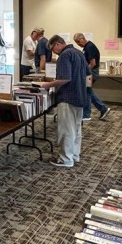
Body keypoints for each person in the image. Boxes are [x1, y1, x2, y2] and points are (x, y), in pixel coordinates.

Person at [41, 35, 89, 167]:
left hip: (67, 96)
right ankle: (74, 155)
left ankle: (65, 159)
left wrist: (48, 85)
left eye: (53, 49)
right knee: (76, 129)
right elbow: (87, 73)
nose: (53, 52)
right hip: (80, 95)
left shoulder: (64, 55)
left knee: (66, 129)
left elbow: (65, 78)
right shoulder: (79, 53)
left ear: (58, 44)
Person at [73, 33, 111, 121]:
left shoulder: (89, 47)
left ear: (82, 38)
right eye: (76, 42)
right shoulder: (87, 47)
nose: (78, 44)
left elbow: (92, 63)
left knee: (87, 92)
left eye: (78, 41)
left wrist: (83, 72)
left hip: (91, 73)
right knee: (88, 91)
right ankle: (103, 109)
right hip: (90, 72)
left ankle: (86, 114)